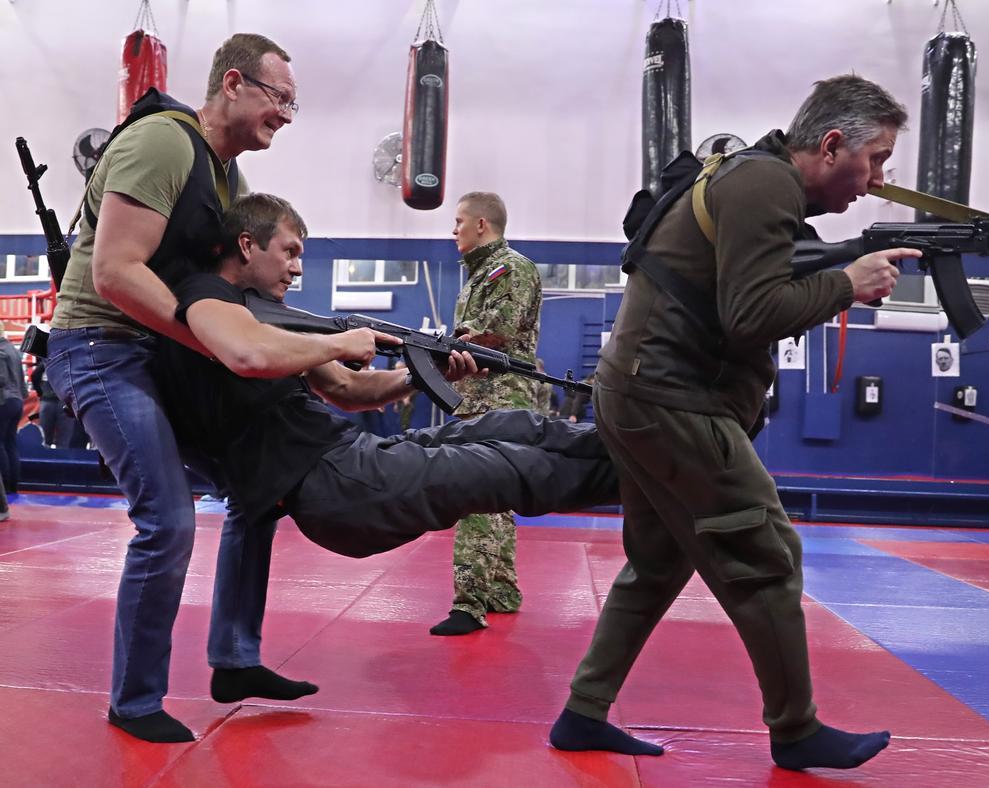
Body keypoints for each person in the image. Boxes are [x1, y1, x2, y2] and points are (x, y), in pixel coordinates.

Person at [549, 74, 920, 772]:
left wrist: (834, 272)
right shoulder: (765, 185)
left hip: (645, 393)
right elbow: (752, 314)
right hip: (670, 399)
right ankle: (796, 727)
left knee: (658, 563)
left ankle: (584, 711)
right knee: (767, 557)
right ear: (832, 143)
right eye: (875, 159)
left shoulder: (754, 180)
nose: (873, 181)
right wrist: (849, 283)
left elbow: (739, 303)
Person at [43, 33, 301, 743]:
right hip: (98, 349)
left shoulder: (228, 180)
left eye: (292, 103)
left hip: (159, 352)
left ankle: (234, 657)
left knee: (260, 490)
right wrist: (213, 343)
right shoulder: (162, 144)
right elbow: (116, 275)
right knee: (169, 520)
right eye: (279, 97)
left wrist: (328, 358)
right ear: (235, 85)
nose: (286, 114)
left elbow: (223, 295)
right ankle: (133, 701)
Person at [154, 193, 617, 564]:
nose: (297, 268)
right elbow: (247, 353)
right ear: (246, 245)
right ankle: (654, 469)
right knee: (505, 467)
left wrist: (422, 373)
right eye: (289, 252)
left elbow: (350, 390)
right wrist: (340, 342)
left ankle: (629, 445)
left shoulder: (272, 320)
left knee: (513, 427)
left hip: (353, 458)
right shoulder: (208, 298)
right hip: (334, 486)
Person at [430, 192, 543, 637]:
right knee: (495, 500)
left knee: (477, 497)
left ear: (481, 224)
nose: (453, 229)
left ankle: (468, 605)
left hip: (500, 402)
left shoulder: (510, 268)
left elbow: (496, 330)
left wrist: (444, 346)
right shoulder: (479, 275)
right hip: (481, 401)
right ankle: (500, 590)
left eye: (458, 221)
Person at [0, 331, 26, 500]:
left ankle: (5, 485)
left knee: (0, 443)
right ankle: (13, 484)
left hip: (3, 400)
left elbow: (1, 378)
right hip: (17, 399)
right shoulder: (12, 350)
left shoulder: (0, 352)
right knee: (10, 442)